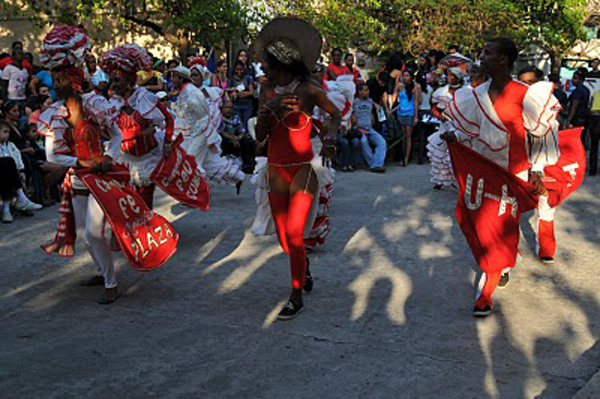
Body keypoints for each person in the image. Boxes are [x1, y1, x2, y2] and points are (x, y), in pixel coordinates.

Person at [442, 37, 560, 317]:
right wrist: (454, 137)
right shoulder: (475, 94)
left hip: (511, 174)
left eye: (487, 52)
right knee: (470, 221)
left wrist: (537, 170)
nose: (481, 56)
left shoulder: (526, 94)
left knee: (499, 228)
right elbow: (473, 131)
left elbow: (541, 135)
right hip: (481, 172)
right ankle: (501, 262)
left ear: (503, 60)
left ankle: (486, 290)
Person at [255, 17, 341, 320]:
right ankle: (303, 271)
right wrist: (268, 110)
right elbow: (260, 137)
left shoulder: (308, 90)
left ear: (282, 66)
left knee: (294, 233)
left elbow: (336, 114)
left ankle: (295, 297)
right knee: (283, 237)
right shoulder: (265, 90)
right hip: (275, 170)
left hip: (303, 170)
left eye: (267, 64)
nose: (263, 69)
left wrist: (330, 137)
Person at [39, 24, 123, 304]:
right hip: (78, 178)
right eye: (54, 79)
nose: (55, 84)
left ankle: (111, 283)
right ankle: (101, 272)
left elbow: (117, 135)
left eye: (60, 79)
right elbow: (53, 156)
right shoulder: (55, 113)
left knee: (94, 232)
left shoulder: (95, 105)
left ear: (74, 81)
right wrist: (82, 161)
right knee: (84, 235)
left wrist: (109, 156)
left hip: (100, 177)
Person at [171, 66, 245, 190]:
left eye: (174, 76)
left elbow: (205, 118)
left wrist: (210, 138)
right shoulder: (185, 93)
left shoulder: (193, 94)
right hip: (189, 135)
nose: (171, 80)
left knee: (190, 163)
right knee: (209, 163)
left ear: (181, 78)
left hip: (200, 134)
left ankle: (198, 194)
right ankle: (237, 176)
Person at [427, 67, 465, 189]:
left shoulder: (466, 91)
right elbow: (434, 108)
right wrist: (440, 116)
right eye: (448, 75)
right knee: (439, 154)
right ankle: (439, 180)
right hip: (444, 125)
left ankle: (458, 181)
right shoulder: (441, 92)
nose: (449, 78)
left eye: (452, 76)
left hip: (458, 125)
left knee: (454, 155)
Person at [0, 120, 42, 222]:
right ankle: (21, 197)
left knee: (11, 168)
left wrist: (21, 171)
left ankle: (7, 210)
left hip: (11, 175)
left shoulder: (11, 145)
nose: (7, 135)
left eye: (8, 132)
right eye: (5, 132)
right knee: (7, 162)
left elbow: (18, 159)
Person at [351, 83, 386, 173]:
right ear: (359, 92)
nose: (368, 92)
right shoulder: (354, 102)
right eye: (365, 90)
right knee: (363, 142)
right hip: (359, 129)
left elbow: (374, 108)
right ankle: (374, 165)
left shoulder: (370, 101)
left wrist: (376, 105)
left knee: (381, 142)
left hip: (369, 128)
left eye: (368, 90)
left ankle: (376, 164)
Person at [220, 100, 255, 173]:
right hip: (226, 140)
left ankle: (247, 165)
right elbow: (221, 132)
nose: (229, 110)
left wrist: (238, 138)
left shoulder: (236, 118)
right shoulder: (220, 119)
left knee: (247, 141)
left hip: (236, 139)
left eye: (231, 108)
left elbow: (242, 131)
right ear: (222, 109)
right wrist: (232, 138)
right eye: (227, 107)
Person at [395, 69, 420, 166]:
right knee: (403, 137)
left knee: (408, 135)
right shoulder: (400, 86)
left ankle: (406, 158)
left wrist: (416, 116)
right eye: (404, 75)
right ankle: (402, 156)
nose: (405, 77)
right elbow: (395, 98)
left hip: (410, 113)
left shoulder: (415, 86)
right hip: (401, 112)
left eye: (407, 75)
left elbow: (416, 102)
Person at [229, 60, 255, 131]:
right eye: (237, 70)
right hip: (236, 106)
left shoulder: (248, 78)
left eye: (241, 69)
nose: (239, 71)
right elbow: (229, 91)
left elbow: (251, 92)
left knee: (246, 125)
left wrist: (238, 94)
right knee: (237, 125)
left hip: (247, 106)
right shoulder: (232, 79)